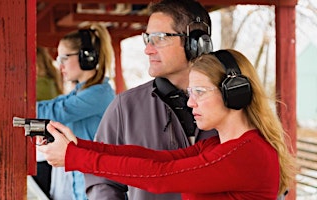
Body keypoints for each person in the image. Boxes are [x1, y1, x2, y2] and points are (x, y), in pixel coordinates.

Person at [38, 49, 297, 200]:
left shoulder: (245, 154)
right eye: (190, 93)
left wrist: (75, 157)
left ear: (234, 93)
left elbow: (159, 177)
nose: (191, 103)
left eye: (200, 92)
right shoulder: (219, 145)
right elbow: (158, 159)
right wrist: (80, 146)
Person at [84, 0, 217, 199]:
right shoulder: (124, 108)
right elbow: (102, 180)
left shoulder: (232, 104)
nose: (148, 49)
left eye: (160, 38)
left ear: (195, 43)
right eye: (148, 38)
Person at [0, 46, 64, 198]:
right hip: (40, 152)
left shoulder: (42, 84)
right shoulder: (46, 82)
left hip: (41, 154)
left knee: (40, 193)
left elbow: (15, 101)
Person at [36, 23, 115, 200]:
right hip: (82, 185)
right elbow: (53, 106)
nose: (60, 65)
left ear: (86, 57)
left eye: (64, 58)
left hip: (94, 187)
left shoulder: (98, 93)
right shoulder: (80, 92)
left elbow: (53, 111)